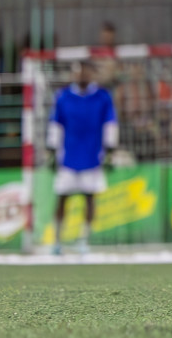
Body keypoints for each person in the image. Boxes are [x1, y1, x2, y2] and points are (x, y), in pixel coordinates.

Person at [47, 60, 116, 254]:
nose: (81, 76)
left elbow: (110, 123)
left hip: (93, 155)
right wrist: (52, 150)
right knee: (62, 198)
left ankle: (84, 240)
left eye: (85, 72)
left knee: (89, 198)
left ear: (91, 74)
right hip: (68, 156)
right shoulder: (64, 97)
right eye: (77, 72)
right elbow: (56, 124)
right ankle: (57, 240)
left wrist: (110, 150)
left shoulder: (102, 97)